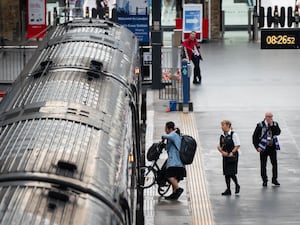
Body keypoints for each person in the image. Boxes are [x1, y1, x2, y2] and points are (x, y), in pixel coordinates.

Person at [252, 112, 281, 187]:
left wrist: (272, 126)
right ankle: (264, 180)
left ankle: (274, 179)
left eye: (271, 117)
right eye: (269, 117)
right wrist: (257, 147)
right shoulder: (260, 125)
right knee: (263, 165)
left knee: (274, 164)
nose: (270, 118)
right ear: (265, 117)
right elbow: (254, 137)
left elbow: (278, 132)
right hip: (263, 147)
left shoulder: (275, 124)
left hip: (272, 147)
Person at [161, 121, 186, 200]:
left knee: (169, 175)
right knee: (174, 177)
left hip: (175, 162)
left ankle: (178, 189)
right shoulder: (175, 135)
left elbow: (166, 136)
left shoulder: (174, 134)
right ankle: (174, 194)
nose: (165, 130)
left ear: (169, 129)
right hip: (176, 161)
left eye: (166, 128)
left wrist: (163, 136)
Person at [217, 120, 241, 196]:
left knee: (231, 172)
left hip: (232, 155)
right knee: (226, 173)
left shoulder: (233, 134)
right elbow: (221, 146)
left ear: (228, 126)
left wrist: (232, 152)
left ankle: (237, 185)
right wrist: (221, 151)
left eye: (223, 125)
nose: (222, 127)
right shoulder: (222, 136)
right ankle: (228, 189)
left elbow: (237, 145)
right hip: (225, 155)